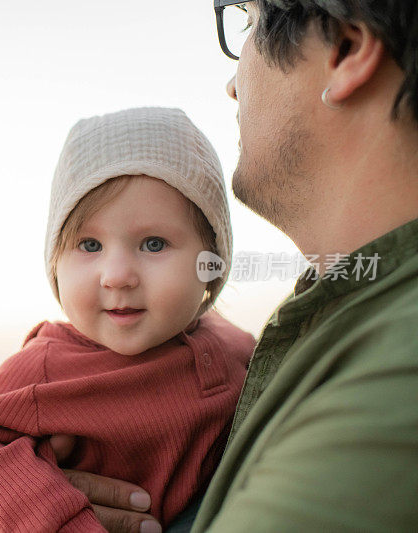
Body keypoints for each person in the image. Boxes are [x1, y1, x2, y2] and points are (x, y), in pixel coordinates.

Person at [50, 1, 418, 531]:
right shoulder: (336, 313)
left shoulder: (392, 375)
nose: (232, 84)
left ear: (346, 48)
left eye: (248, 21)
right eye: (89, 245)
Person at [0, 107, 257, 532]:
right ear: (56, 263)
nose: (116, 275)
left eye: (154, 244)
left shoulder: (234, 344)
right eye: (89, 244)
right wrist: (54, 517)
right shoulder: (50, 366)